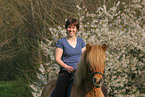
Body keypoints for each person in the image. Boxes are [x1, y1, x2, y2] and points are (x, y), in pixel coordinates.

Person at [54, 18, 86, 97]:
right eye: (69, 27)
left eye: (73, 27)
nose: (71, 30)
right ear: (66, 28)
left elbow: (85, 56)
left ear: (76, 29)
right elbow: (57, 58)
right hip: (66, 72)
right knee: (59, 93)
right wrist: (67, 67)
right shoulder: (61, 42)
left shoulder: (81, 42)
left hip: (79, 72)